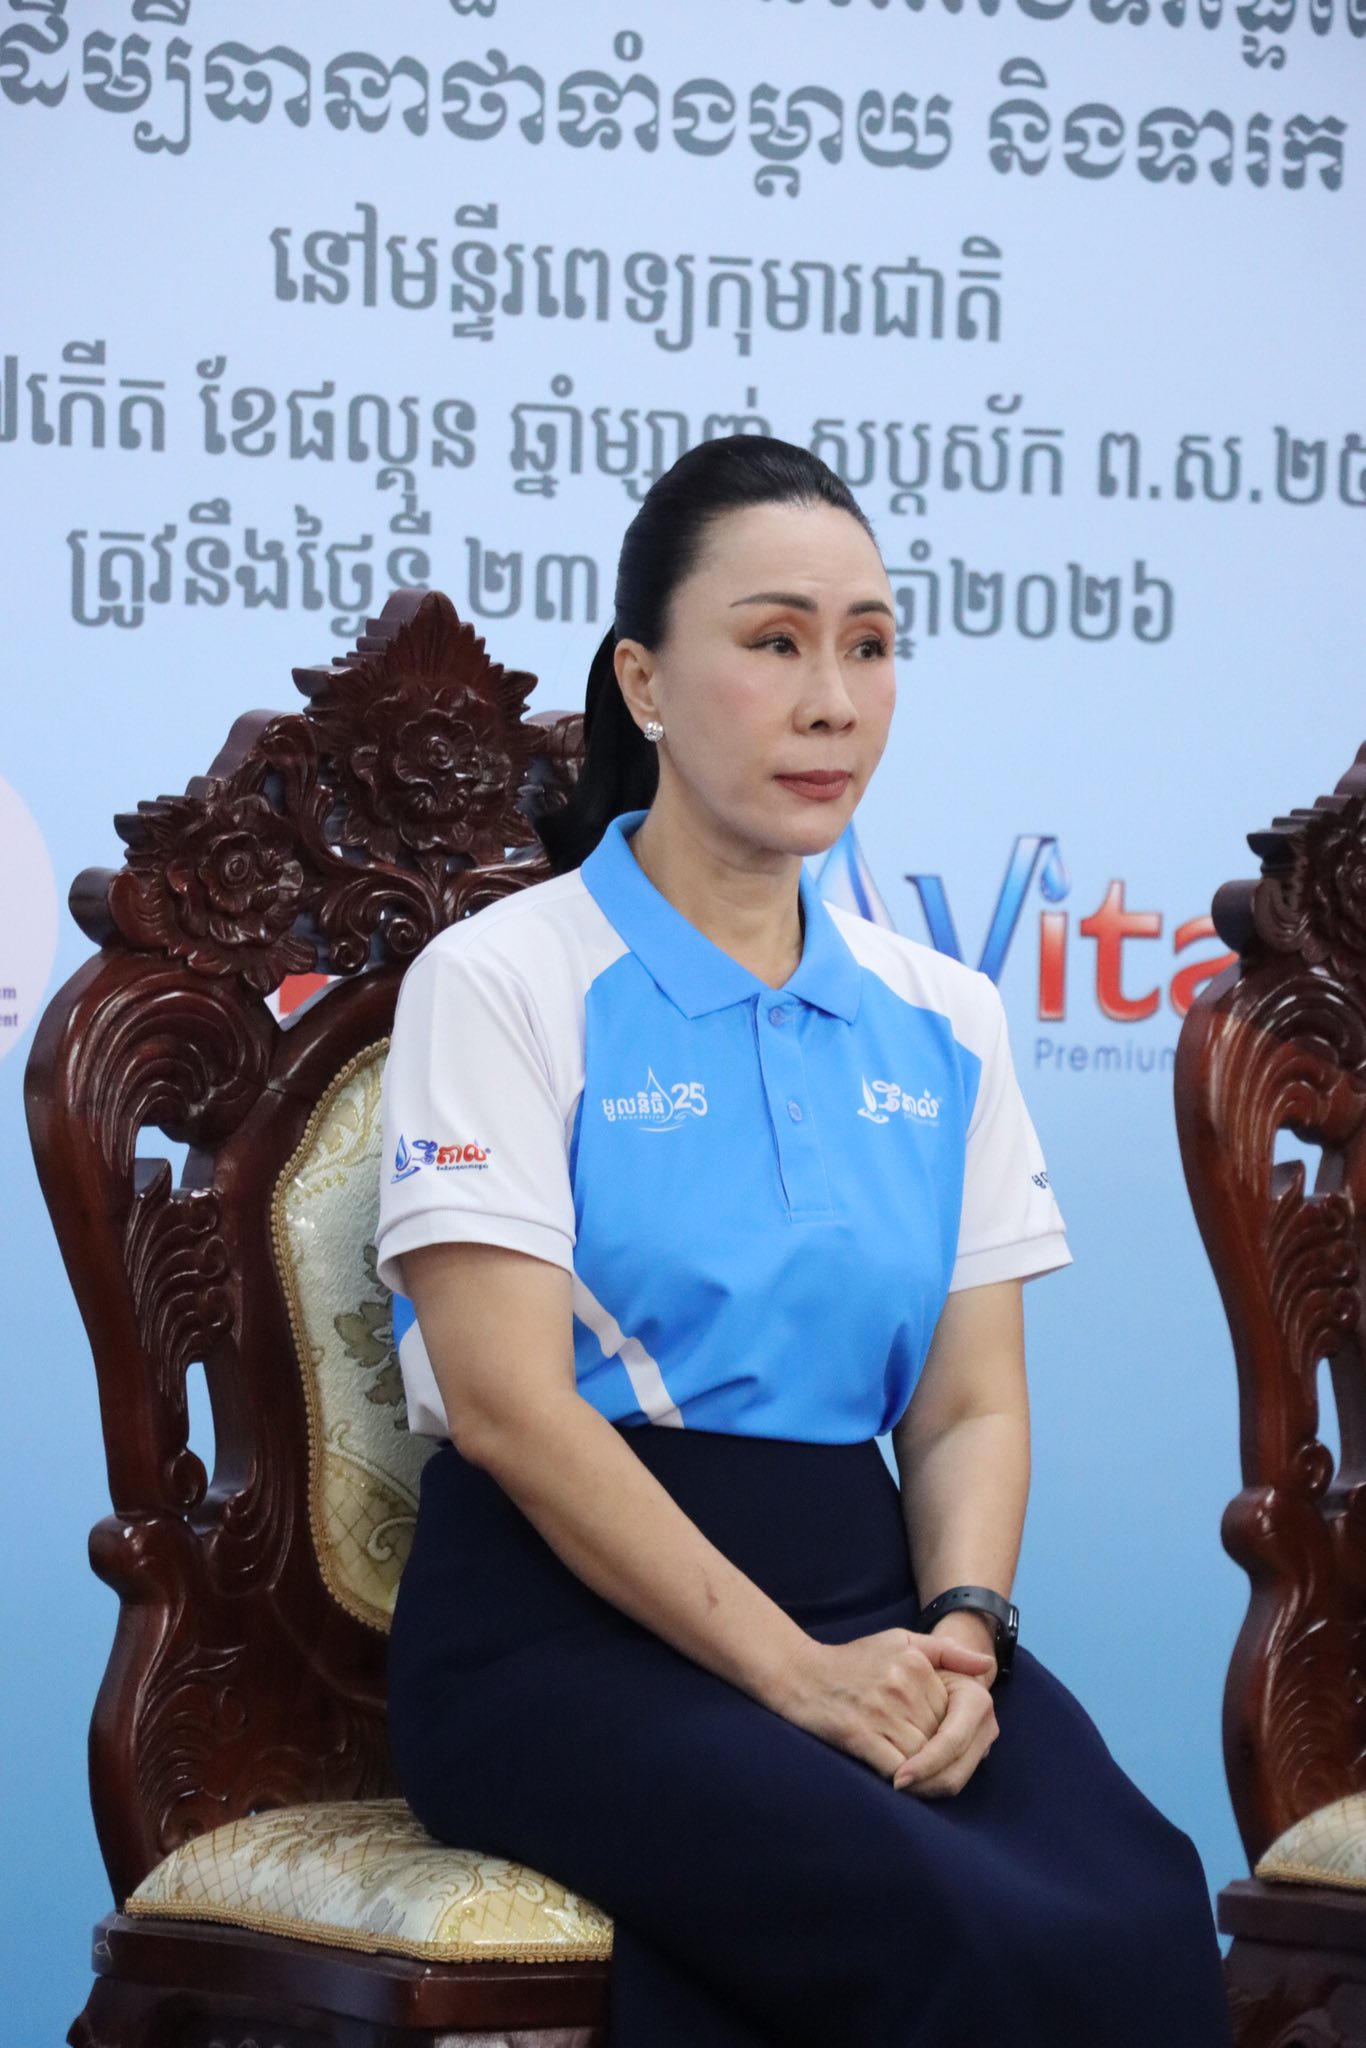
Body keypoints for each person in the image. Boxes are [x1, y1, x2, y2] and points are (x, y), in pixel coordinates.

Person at [375, 435, 1234, 2047]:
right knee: (936, 1928)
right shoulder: (504, 981)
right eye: (773, 643)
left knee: (1135, 1906)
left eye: (868, 645)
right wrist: (793, 1676)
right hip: (559, 1641)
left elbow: (967, 1405)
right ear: (643, 680)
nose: (832, 702)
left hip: (877, 1604)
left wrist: (963, 1635)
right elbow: (506, 1408)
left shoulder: (945, 1016)